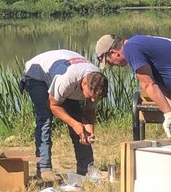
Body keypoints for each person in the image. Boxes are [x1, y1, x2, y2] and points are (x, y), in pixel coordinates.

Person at [21, 50, 108, 180]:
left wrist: (89, 127)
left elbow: (89, 111)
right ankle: (44, 169)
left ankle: (86, 168)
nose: (93, 100)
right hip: (38, 75)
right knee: (45, 118)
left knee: (77, 119)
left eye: (96, 98)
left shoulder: (97, 81)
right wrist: (75, 124)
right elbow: (54, 106)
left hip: (63, 72)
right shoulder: (67, 80)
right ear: (83, 84)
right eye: (91, 96)